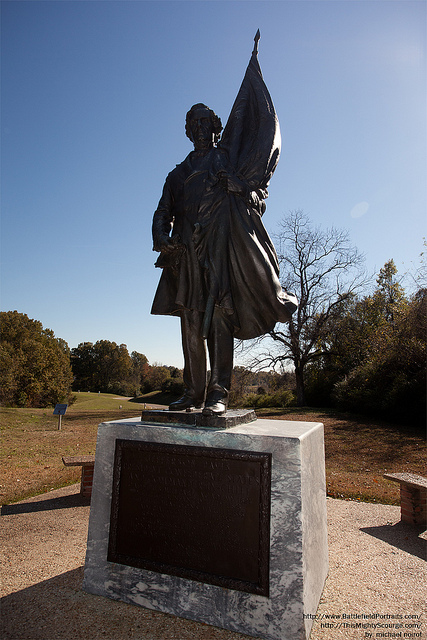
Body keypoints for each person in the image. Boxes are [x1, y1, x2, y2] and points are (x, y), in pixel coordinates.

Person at [151, 34, 297, 415]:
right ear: (188, 131)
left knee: (219, 319)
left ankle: (218, 393)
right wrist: (161, 238)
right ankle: (192, 393)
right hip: (185, 256)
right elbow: (161, 212)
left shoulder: (227, 160)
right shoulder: (178, 173)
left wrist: (242, 188)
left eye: (206, 123)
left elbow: (258, 197)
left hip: (219, 250)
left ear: (216, 128)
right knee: (190, 324)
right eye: (194, 124)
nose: (201, 129)